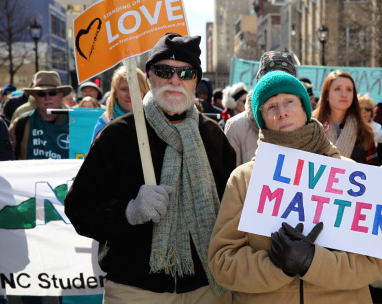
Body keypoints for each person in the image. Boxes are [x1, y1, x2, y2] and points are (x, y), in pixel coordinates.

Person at [65, 33, 236, 304]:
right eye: (164, 70)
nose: (174, 80)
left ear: (195, 80)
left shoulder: (213, 136)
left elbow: (234, 213)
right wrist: (128, 211)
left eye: (185, 72)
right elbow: (79, 208)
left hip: (207, 289)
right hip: (135, 290)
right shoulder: (118, 135)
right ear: (148, 76)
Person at [208, 70, 382, 303]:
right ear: (261, 118)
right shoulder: (244, 179)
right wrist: (277, 266)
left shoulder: (350, 175)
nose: (282, 112)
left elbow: (373, 263)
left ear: (304, 108)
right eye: (271, 107)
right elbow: (222, 262)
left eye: (289, 102)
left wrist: (313, 262)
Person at [224, 50, 298, 166]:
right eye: (272, 79)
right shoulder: (236, 127)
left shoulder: (307, 124)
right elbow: (230, 180)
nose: (278, 86)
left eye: (285, 80)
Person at [313, 70, 379, 165]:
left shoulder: (364, 131)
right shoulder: (310, 126)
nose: (344, 94)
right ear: (326, 95)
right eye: (337, 89)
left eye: (349, 89)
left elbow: (374, 172)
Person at [8, 71, 72, 160]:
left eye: (52, 93)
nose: (47, 97)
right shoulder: (21, 123)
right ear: (35, 97)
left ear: (61, 96)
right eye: (41, 93)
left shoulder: (75, 123)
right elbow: (6, 155)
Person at [92, 65, 149, 139]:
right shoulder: (105, 123)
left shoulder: (156, 119)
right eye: (124, 89)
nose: (129, 95)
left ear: (144, 92)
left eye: (135, 89)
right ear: (115, 93)